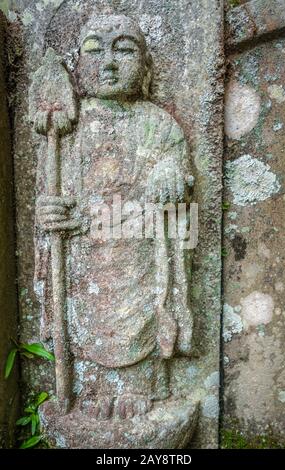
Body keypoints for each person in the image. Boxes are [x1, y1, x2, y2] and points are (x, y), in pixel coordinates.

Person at [35, 14, 194, 420]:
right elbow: (50, 195)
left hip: (138, 254)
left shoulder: (158, 123)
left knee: (142, 309)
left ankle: (143, 385)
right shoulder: (68, 131)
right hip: (84, 258)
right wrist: (50, 213)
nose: (108, 62)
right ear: (79, 64)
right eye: (94, 50)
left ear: (145, 66)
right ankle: (88, 385)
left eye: (123, 49)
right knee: (86, 314)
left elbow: (177, 176)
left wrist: (170, 174)